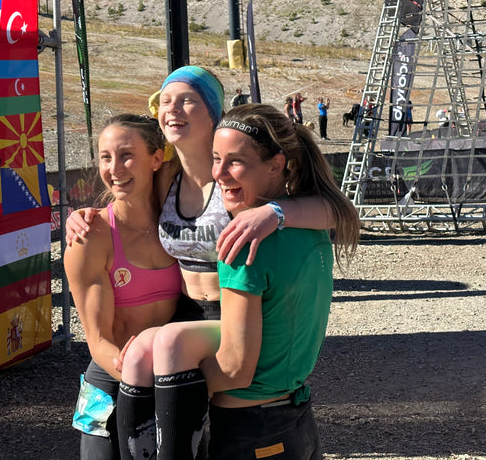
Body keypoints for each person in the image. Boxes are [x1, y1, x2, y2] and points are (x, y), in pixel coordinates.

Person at [65, 66, 333, 460]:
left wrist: (274, 212)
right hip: (166, 331)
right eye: (165, 100)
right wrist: (86, 214)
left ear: (213, 112)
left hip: (228, 313)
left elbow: (333, 212)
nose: (173, 109)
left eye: (187, 99)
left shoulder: (239, 179)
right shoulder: (167, 177)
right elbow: (126, 196)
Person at [147, 103, 360, 459]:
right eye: (216, 158)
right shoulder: (309, 226)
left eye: (235, 161)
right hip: (296, 420)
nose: (219, 173)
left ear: (276, 164)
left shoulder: (244, 240)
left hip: (247, 430)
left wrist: (170, 391)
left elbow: (234, 369)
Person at [66, 114, 182, 459]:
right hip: (111, 381)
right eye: (105, 157)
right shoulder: (90, 236)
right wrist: (139, 376)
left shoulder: (182, 224)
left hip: (171, 380)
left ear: (157, 158)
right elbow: (98, 340)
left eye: (126, 155)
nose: (114, 168)